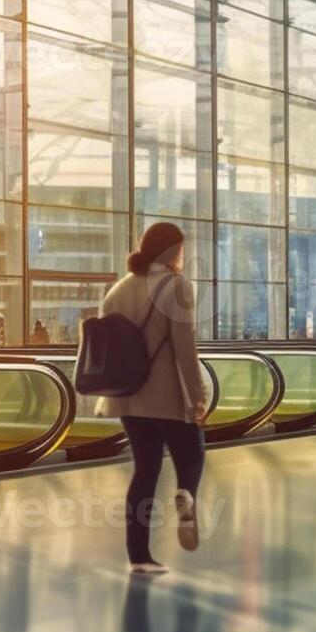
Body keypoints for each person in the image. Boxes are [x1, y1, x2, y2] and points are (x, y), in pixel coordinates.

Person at [95, 222, 208, 575]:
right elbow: (184, 347)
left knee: (145, 470)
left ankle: (139, 558)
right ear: (173, 250)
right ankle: (186, 493)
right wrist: (198, 395)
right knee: (192, 453)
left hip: (129, 396)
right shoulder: (176, 286)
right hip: (168, 395)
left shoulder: (119, 290)